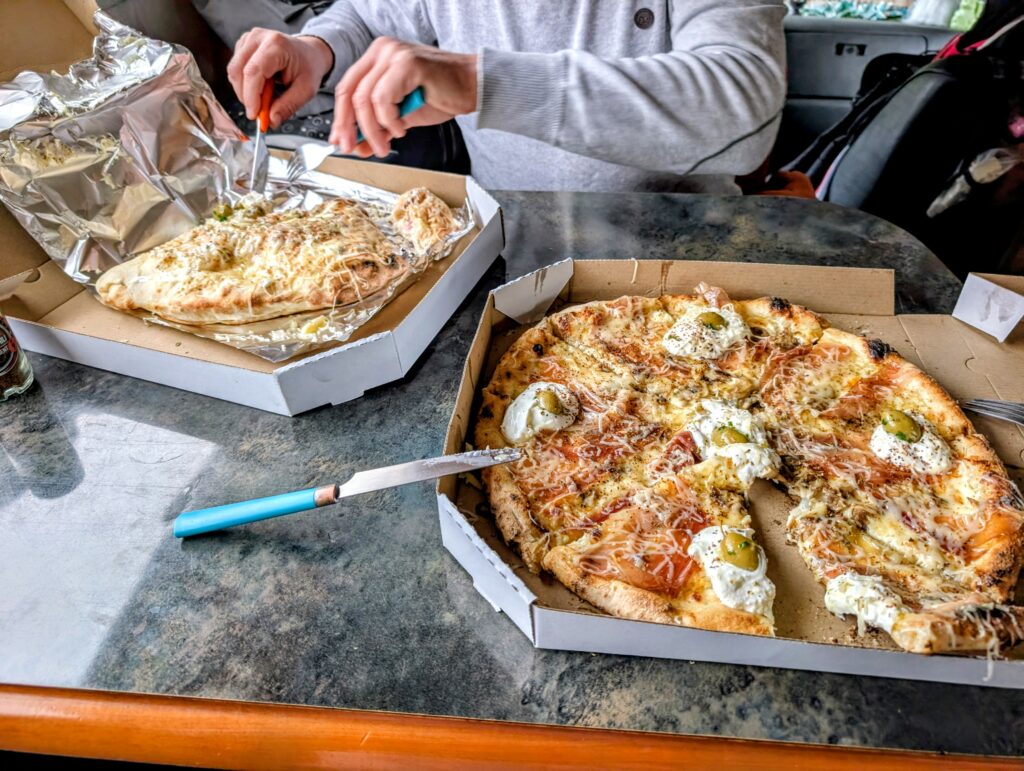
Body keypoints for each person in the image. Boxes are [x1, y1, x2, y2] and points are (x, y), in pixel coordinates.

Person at [228, 1, 787, 193]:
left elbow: (743, 102)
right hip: (507, 240)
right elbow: (366, 15)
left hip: (683, 249)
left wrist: (485, 82)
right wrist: (317, 48)